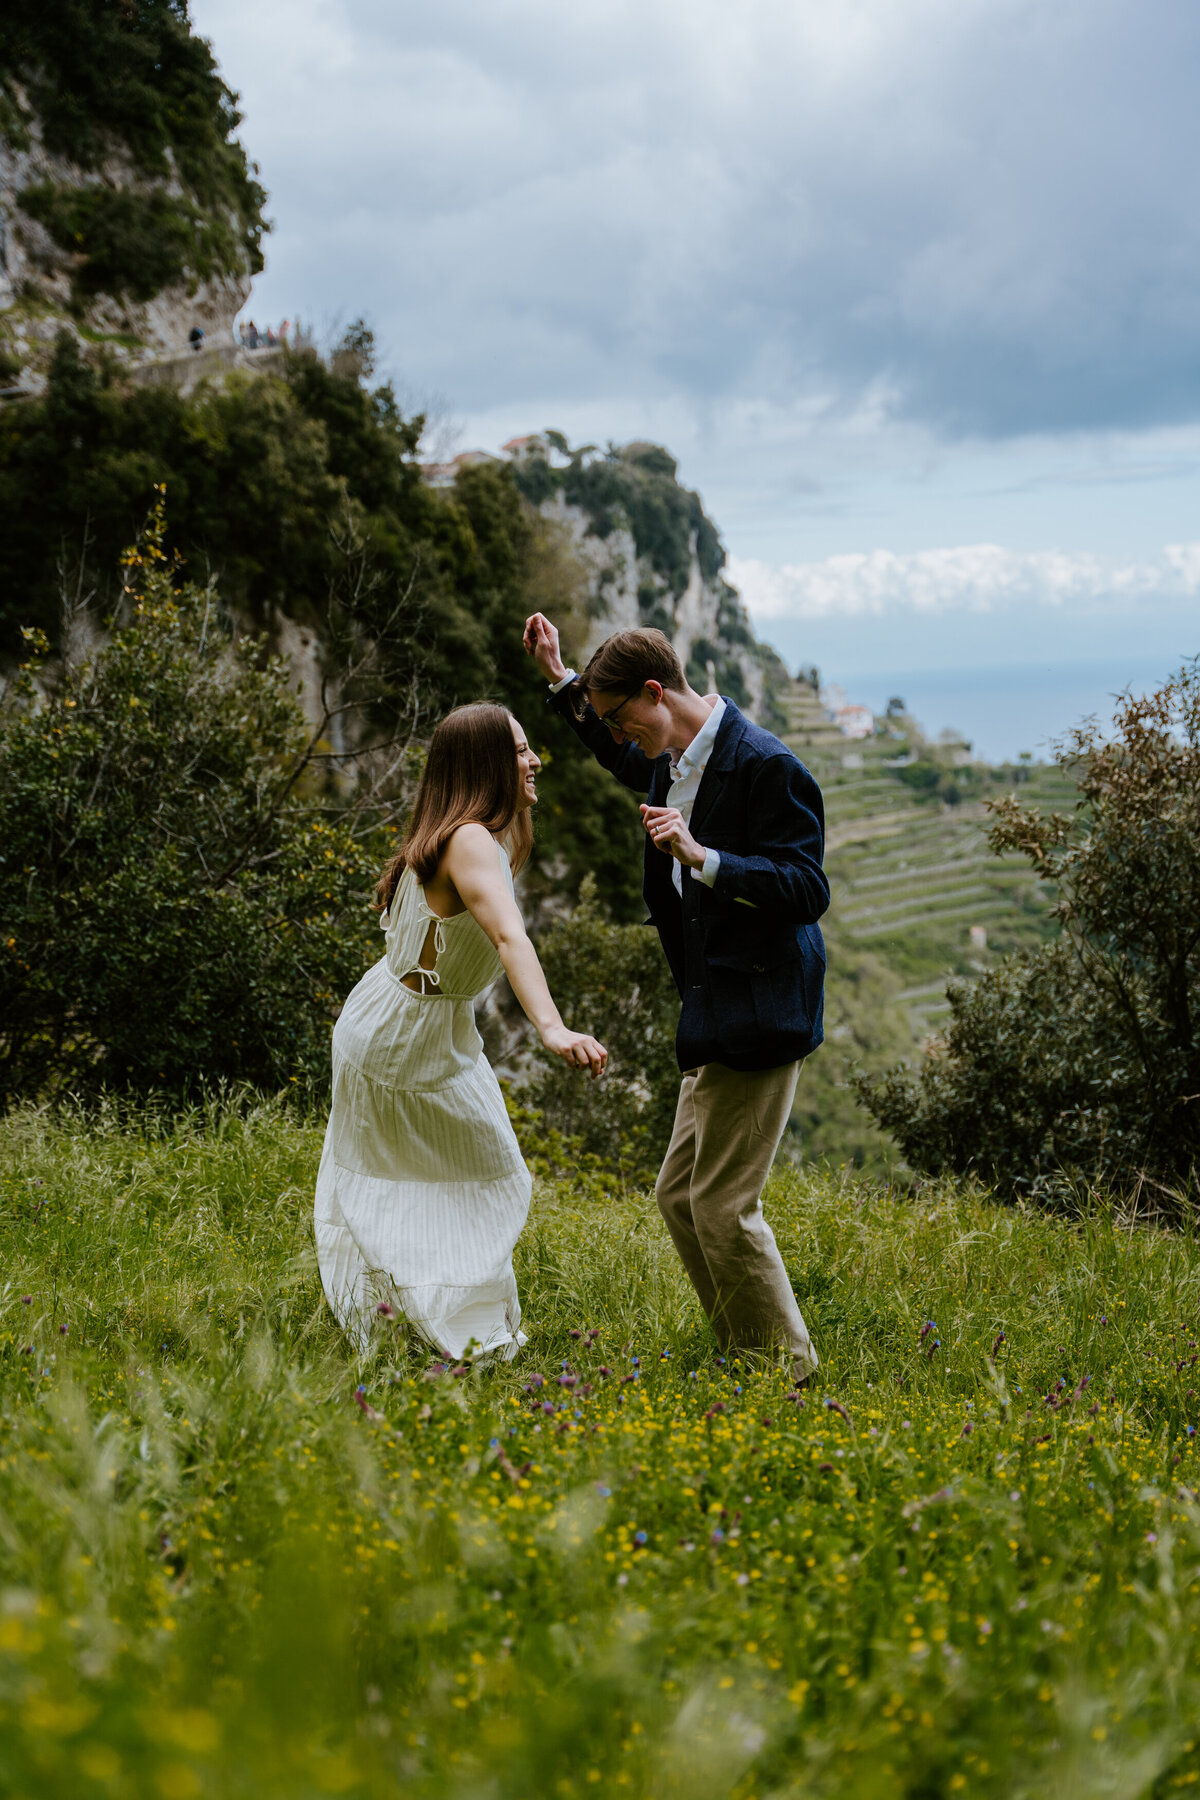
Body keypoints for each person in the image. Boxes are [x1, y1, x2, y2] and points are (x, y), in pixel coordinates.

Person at [523, 616, 827, 1383]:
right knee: (677, 1197)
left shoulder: (766, 766)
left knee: (722, 1206)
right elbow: (624, 759)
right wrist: (564, 681)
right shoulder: (674, 761)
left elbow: (806, 890)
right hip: (708, 1012)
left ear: (657, 694)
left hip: (759, 1013)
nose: (628, 735)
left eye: (627, 715)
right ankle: (745, 1353)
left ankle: (789, 1378)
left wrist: (705, 858)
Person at [315, 702, 606, 1362]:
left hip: (418, 1026)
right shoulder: (471, 839)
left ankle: (447, 1330)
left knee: (448, 1172)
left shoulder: (470, 834)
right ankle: (445, 1334)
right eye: (522, 751)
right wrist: (553, 1028)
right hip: (404, 1039)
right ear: (486, 766)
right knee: (462, 1175)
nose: (535, 762)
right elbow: (509, 935)